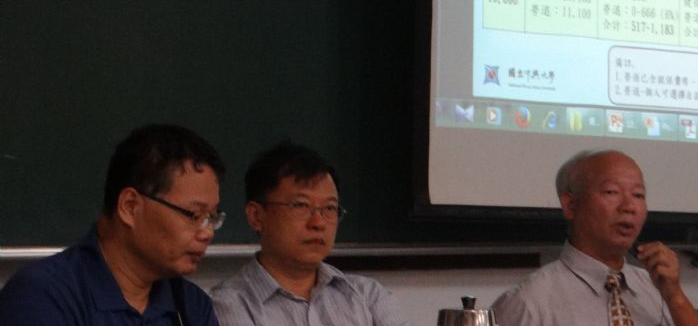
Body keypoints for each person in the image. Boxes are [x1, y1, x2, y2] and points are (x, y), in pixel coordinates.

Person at [0, 123, 226, 325]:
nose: (207, 233)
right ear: (130, 207)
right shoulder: (44, 296)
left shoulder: (190, 305)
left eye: (212, 218)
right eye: (195, 215)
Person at [491, 149, 698, 326]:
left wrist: (675, 296)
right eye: (611, 192)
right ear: (570, 205)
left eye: (638, 195)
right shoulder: (528, 303)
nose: (629, 207)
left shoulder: (657, 289)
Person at [211, 141, 409, 326]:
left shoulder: (367, 295)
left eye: (329, 208)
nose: (318, 223)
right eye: (301, 205)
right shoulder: (227, 304)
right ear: (256, 216)